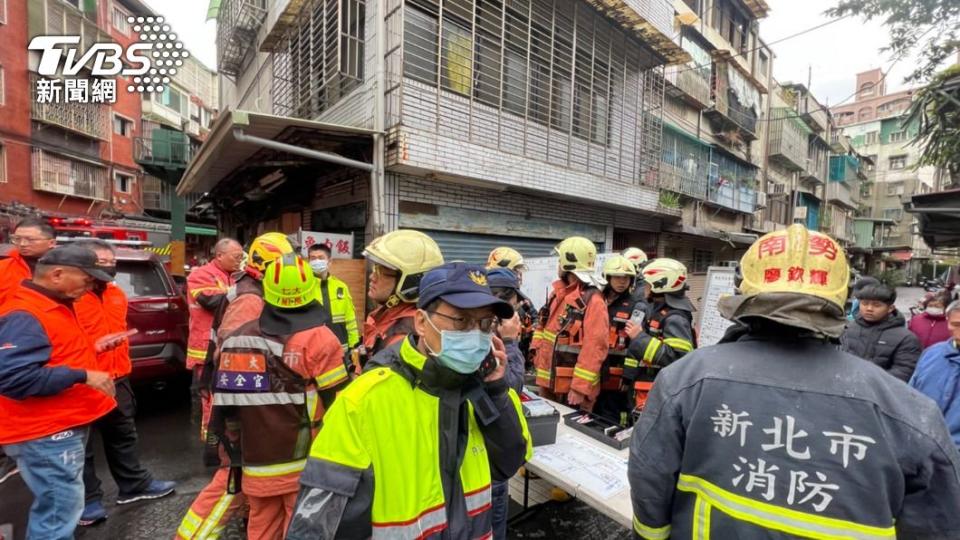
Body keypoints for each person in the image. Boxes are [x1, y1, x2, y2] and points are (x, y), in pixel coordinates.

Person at [628, 225, 960, 539]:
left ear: (743, 292)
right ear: (842, 300)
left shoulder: (685, 379)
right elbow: (939, 522)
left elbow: (649, 477)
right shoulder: (908, 412)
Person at [287, 262, 530, 539]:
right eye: (461, 320)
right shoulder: (365, 401)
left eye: (485, 323)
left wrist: (497, 390)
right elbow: (315, 528)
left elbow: (509, 464)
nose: (475, 334)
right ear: (421, 323)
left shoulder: (486, 388)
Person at [209, 253, 350, 539]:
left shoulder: (237, 339)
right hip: (305, 466)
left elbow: (225, 409)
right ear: (310, 290)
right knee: (301, 530)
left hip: (255, 465)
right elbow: (339, 406)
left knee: (261, 529)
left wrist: (231, 451)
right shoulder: (321, 340)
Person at [175, 232, 294, 540]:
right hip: (243, 412)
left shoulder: (249, 289)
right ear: (266, 266)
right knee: (232, 481)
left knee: (245, 486)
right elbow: (237, 363)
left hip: (241, 407)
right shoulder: (251, 300)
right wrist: (240, 425)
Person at [0, 244, 119, 540]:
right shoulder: (26, 313)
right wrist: (81, 374)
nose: (91, 286)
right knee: (58, 510)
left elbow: (52, 354)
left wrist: (93, 349)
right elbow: (12, 377)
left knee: (59, 504)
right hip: (44, 431)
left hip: (55, 426)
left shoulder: (53, 306)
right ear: (57, 274)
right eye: (87, 279)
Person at [74, 240, 175, 526]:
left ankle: (132, 485)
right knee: (82, 445)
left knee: (123, 433)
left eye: (110, 260)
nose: (107, 266)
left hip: (117, 376)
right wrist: (92, 348)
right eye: (100, 261)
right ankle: (88, 499)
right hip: (82, 379)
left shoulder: (116, 293)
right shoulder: (70, 297)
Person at [531, 236, 609, 411]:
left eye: (560, 260)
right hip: (550, 381)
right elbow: (545, 330)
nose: (558, 264)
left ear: (568, 264)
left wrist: (579, 388)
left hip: (572, 391)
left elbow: (595, 347)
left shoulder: (593, 300)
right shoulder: (559, 294)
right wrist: (535, 354)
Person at [621, 258, 695, 410]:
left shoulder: (675, 318)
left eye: (648, 283)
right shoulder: (659, 311)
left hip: (661, 391)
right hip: (649, 384)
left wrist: (639, 337)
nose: (645, 288)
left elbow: (678, 358)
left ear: (659, 285)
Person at [361, 229, 444, 362]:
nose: (372, 277)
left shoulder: (407, 337)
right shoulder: (386, 316)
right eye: (375, 268)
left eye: (383, 271)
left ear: (410, 282)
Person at [840, 282, 922, 382]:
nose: (869, 309)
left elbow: (904, 371)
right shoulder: (848, 328)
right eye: (865, 304)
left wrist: (867, 382)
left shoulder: (906, 338)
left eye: (877, 305)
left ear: (890, 308)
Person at [185, 238, 244, 372]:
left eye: (241, 257)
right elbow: (211, 301)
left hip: (229, 345)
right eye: (236, 257)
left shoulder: (237, 276)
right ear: (219, 256)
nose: (240, 260)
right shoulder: (201, 274)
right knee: (205, 390)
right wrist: (243, 291)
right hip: (205, 348)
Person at [910, 300, 960, 448]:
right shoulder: (932, 353)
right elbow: (910, 396)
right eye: (956, 325)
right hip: (922, 445)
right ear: (947, 322)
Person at [596, 255, 639, 426]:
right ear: (607, 277)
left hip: (617, 370)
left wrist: (628, 376)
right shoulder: (596, 299)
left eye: (626, 278)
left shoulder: (636, 305)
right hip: (595, 365)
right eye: (618, 277)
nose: (622, 281)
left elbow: (636, 343)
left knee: (612, 411)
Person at [486, 246, 536, 361]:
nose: (520, 275)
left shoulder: (523, 300)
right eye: (516, 270)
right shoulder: (483, 300)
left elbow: (535, 318)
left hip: (517, 356)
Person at [307, 242, 360, 350]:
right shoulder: (304, 288)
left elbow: (350, 321)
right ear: (308, 262)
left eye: (321, 258)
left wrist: (354, 346)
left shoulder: (341, 287)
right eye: (313, 258)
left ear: (329, 262)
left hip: (341, 350)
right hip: (314, 350)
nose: (317, 261)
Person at [0, 217, 57, 304]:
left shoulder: (66, 269)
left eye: (30, 240)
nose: (22, 244)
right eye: (17, 239)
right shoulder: (3, 267)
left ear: (51, 243)